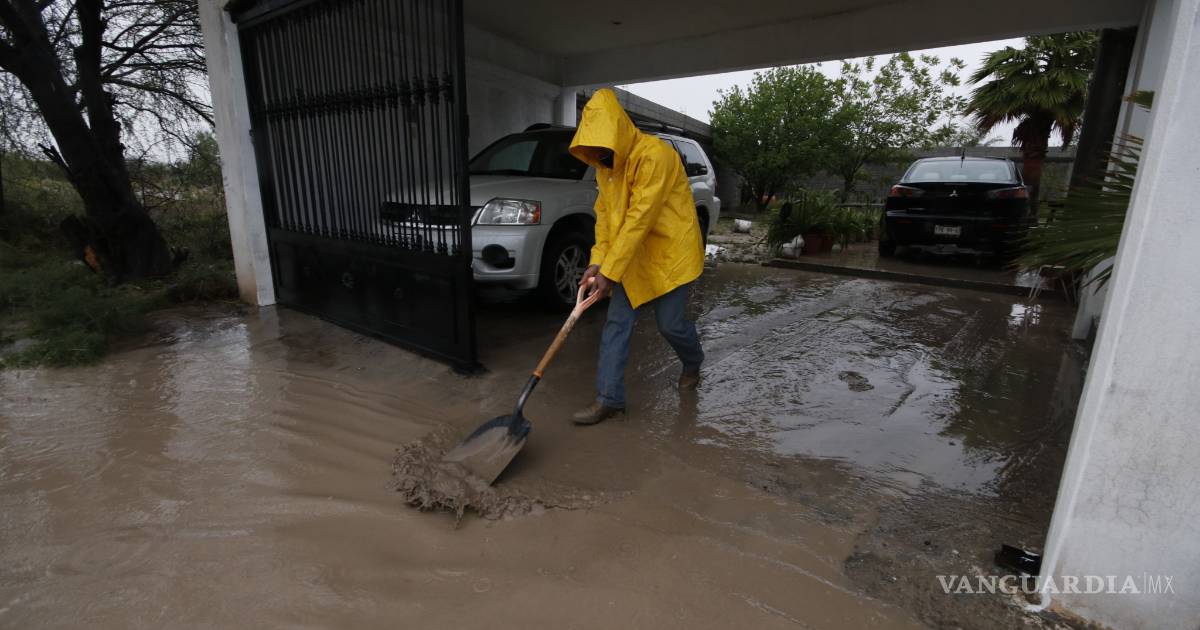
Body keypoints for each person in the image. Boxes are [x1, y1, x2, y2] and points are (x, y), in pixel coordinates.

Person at [566, 88, 705, 426]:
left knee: (670, 325)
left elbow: (640, 217)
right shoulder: (605, 168)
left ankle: (693, 362)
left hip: (670, 254)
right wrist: (598, 261)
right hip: (630, 257)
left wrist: (609, 272)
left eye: (602, 146)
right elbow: (605, 219)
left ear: (618, 132)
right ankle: (609, 399)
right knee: (616, 324)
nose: (598, 155)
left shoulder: (655, 155)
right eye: (592, 148)